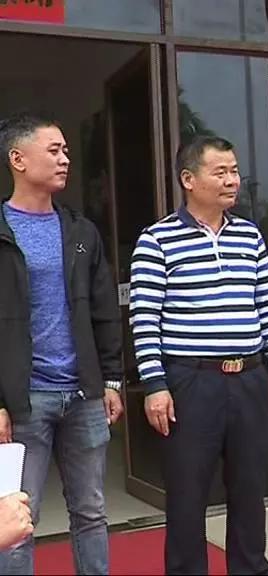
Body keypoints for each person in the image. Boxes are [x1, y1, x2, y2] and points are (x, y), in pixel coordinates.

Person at [129, 135, 268, 575]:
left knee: (250, 489)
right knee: (187, 494)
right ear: (189, 179)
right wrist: (155, 386)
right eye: (220, 172)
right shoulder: (157, 240)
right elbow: (144, 319)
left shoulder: (249, 236)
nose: (232, 181)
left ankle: (251, 568)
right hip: (191, 382)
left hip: (249, 379)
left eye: (235, 171)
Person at [0, 112, 124, 574]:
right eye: (53, 150)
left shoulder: (81, 231)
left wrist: (111, 379)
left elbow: (104, 310)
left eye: (66, 150)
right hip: (23, 401)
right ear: (18, 159)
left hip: (84, 395)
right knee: (17, 517)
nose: (65, 159)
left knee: (91, 512)